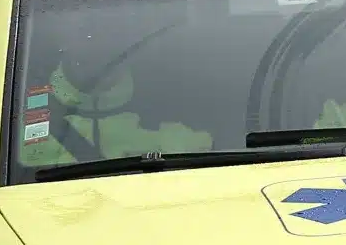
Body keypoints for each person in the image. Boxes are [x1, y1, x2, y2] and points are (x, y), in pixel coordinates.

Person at [15, 14, 213, 168]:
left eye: (109, 35)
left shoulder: (168, 105)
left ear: (125, 46)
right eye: (85, 34)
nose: (96, 46)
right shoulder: (14, 110)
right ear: (63, 42)